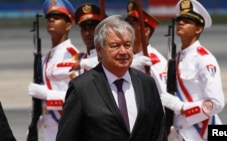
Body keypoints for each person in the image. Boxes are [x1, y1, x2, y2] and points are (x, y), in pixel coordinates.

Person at [56, 15, 166, 141]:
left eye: (127, 45)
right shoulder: (81, 88)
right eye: (115, 45)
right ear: (99, 50)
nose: (123, 51)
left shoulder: (146, 83)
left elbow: (158, 133)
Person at [160, 0, 225, 141]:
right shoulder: (175, 58)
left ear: (198, 29)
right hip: (178, 133)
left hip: (201, 133)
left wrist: (182, 107)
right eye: (180, 20)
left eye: (187, 21)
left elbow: (216, 103)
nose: (181, 23)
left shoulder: (204, 59)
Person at [27, 0, 79, 141]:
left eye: (57, 17)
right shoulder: (45, 59)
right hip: (48, 127)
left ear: (68, 25)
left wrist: (46, 94)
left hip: (68, 126)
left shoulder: (74, 56)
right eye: (49, 17)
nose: (51, 19)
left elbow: (78, 98)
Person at [125, 0, 168, 94]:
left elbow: (164, 97)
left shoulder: (155, 62)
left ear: (146, 31)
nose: (125, 29)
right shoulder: (125, 56)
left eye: (131, 25)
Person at [69, 3, 107, 73]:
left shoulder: (108, 55)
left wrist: (82, 64)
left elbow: (105, 61)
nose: (87, 33)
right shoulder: (78, 59)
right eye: (84, 29)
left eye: (92, 28)